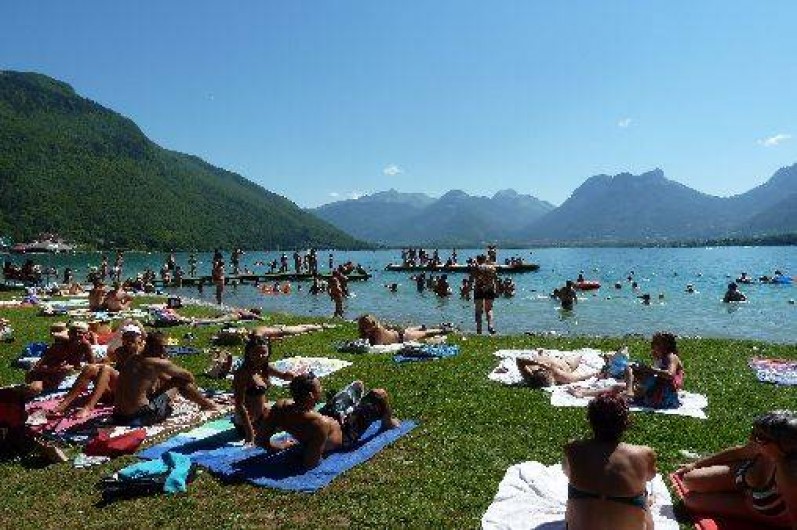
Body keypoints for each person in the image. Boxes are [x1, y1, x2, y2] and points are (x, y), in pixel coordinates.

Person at [676, 410, 797, 528]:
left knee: (691, 501)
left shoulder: (788, 472)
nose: (753, 439)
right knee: (689, 479)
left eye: (759, 437)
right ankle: (735, 489)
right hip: (747, 482)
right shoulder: (762, 446)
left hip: (759, 509)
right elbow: (738, 453)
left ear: (781, 445)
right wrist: (696, 464)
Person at [255, 374, 400, 468]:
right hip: (347, 432)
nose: (322, 389)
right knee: (379, 394)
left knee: (358, 384)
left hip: (329, 416)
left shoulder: (280, 407)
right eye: (319, 388)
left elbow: (260, 440)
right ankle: (387, 422)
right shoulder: (319, 424)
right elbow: (311, 463)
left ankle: (348, 409)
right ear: (311, 395)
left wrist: (279, 446)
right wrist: (306, 450)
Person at [564, 393, 657, 530]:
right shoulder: (644, 454)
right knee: (643, 494)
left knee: (577, 491)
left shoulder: (573, 449)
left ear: (591, 420)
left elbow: (567, 472)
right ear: (625, 422)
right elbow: (650, 476)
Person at [112, 334, 221, 426]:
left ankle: (205, 403)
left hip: (118, 416)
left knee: (174, 382)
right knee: (180, 381)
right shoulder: (157, 363)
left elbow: (164, 379)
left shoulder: (132, 359)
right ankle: (208, 405)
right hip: (138, 417)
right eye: (163, 347)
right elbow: (189, 377)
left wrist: (168, 382)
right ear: (151, 347)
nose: (165, 350)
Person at [50, 324, 147, 419]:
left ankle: (89, 407)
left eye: (132, 336)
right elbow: (107, 361)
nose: (129, 339)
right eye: (126, 336)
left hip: (131, 393)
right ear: (122, 339)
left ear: (140, 338)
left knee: (106, 369)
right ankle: (63, 404)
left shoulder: (144, 354)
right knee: (91, 368)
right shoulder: (120, 351)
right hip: (117, 390)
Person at [570, 332, 684, 410]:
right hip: (658, 390)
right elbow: (657, 374)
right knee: (619, 385)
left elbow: (670, 375)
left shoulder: (671, 356)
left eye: (656, 344)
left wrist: (648, 369)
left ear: (665, 345)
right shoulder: (662, 358)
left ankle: (628, 394)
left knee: (625, 380)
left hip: (663, 395)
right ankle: (584, 393)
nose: (653, 346)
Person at [232, 335, 297, 445]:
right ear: (248, 353)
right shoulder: (242, 374)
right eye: (255, 353)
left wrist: (293, 377)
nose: (260, 356)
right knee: (291, 426)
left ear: (268, 353)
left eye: (263, 353)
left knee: (291, 412)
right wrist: (250, 433)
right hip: (247, 423)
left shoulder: (264, 367)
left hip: (262, 413)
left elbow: (283, 376)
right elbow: (240, 405)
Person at [23, 322, 96, 398]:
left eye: (80, 333)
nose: (77, 335)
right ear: (69, 333)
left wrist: (80, 368)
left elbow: (93, 365)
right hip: (41, 375)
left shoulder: (85, 345)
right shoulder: (59, 346)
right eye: (74, 332)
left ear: (86, 335)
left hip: (57, 377)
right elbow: (38, 367)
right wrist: (58, 369)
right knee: (35, 389)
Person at [515, 351, 598, 388]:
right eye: (542, 370)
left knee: (543, 358)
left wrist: (540, 364)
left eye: (539, 370)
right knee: (577, 358)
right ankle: (543, 354)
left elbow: (519, 360)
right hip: (565, 363)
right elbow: (579, 378)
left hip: (546, 359)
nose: (541, 369)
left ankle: (542, 354)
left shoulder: (529, 375)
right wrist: (595, 374)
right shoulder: (559, 375)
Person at [357, 314, 451, 346]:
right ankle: (422, 326)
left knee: (425, 333)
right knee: (415, 331)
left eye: (366, 325)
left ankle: (443, 330)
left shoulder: (378, 330)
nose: (365, 328)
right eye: (363, 326)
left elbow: (377, 345)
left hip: (402, 337)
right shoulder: (369, 331)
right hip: (397, 333)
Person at [470, 254, 498, 334]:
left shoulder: (475, 268)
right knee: (489, 309)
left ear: (477, 260)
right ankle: (490, 326)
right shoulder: (492, 268)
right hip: (489, 289)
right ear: (485, 260)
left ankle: (479, 330)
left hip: (478, 289)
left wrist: (468, 290)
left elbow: (471, 280)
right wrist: (497, 290)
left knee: (478, 311)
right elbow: (496, 280)